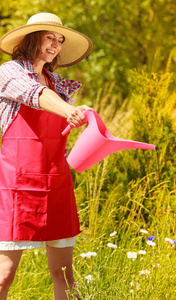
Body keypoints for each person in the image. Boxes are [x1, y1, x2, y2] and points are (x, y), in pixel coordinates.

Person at [0, 12, 93, 300]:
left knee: (64, 273)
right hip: (15, 183)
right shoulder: (9, 71)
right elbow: (33, 94)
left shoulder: (58, 84)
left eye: (60, 39)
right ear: (31, 39)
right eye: (49, 36)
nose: (55, 43)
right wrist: (70, 111)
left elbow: (60, 119)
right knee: (4, 273)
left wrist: (87, 117)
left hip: (56, 182)